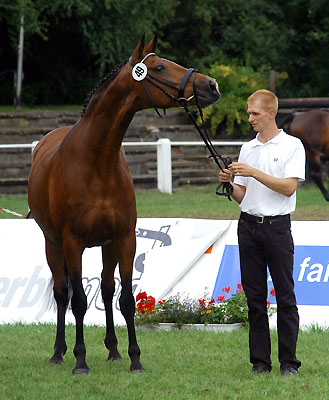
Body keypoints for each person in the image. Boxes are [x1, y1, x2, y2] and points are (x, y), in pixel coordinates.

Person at [218, 89, 305, 376]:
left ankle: (289, 363)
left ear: (271, 113)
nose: (249, 118)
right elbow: (244, 195)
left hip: (278, 228)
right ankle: (260, 362)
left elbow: (288, 188)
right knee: (254, 299)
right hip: (248, 227)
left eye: (254, 113)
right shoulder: (247, 149)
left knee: (285, 297)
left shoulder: (292, 146)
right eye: (248, 112)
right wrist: (230, 185)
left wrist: (253, 172)